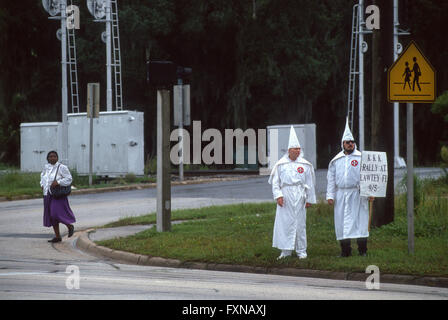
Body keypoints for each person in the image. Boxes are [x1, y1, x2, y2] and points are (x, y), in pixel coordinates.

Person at [326, 118, 373, 257]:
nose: (350, 144)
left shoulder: (361, 157)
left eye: (352, 142)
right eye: (348, 142)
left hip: (358, 194)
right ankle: (345, 251)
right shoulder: (336, 160)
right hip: (341, 195)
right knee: (341, 222)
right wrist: (330, 195)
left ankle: (362, 250)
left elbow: (369, 175)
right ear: (343, 144)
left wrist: (371, 192)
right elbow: (331, 179)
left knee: (361, 221)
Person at [268, 126, 316, 260]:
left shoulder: (305, 165)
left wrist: (309, 199)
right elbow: (275, 182)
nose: (298, 151)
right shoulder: (281, 164)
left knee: (300, 223)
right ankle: (286, 250)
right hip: (286, 194)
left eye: (299, 149)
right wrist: (278, 196)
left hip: (300, 194)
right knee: (285, 223)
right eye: (295, 149)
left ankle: (301, 250)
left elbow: (310, 183)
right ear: (289, 150)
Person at [40, 150, 76, 243]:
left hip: (57, 194)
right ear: (47, 158)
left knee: (55, 213)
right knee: (52, 217)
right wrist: (42, 184)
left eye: (54, 156)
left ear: (57, 158)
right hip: (47, 194)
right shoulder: (46, 167)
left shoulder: (62, 167)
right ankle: (57, 236)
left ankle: (69, 226)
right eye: (50, 156)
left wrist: (58, 182)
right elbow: (43, 177)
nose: (52, 158)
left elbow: (69, 179)